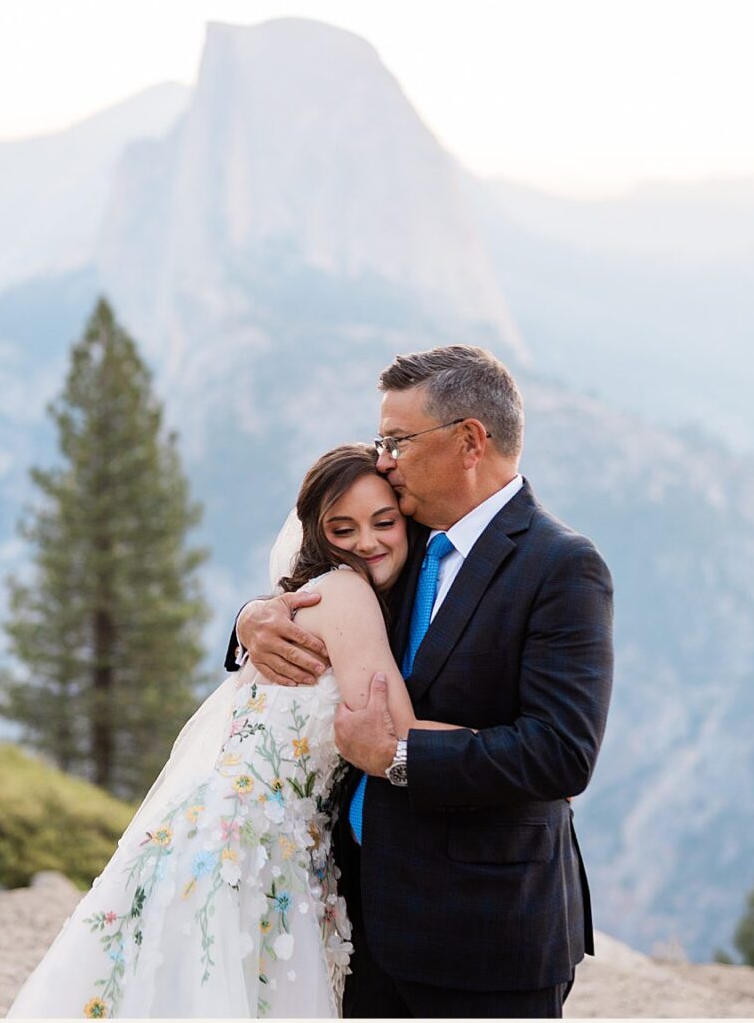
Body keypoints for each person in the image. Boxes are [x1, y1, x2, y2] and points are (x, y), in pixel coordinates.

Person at [7, 444, 461, 1018]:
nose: (366, 542)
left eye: (383, 522)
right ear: (316, 535)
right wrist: (525, 749)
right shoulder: (346, 593)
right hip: (248, 848)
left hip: (252, 839)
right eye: (342, 528)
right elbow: (397, 728)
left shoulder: (317, 596)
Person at [232, 344, 614, 1018]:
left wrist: (400, 756)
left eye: (398, 441)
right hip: (359, 919)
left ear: (469, 441)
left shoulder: (562, 567)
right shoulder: (394, 536)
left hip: (485, 935)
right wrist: (251, 621)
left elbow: (561, 751)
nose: (382, 460)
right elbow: (315, 585)